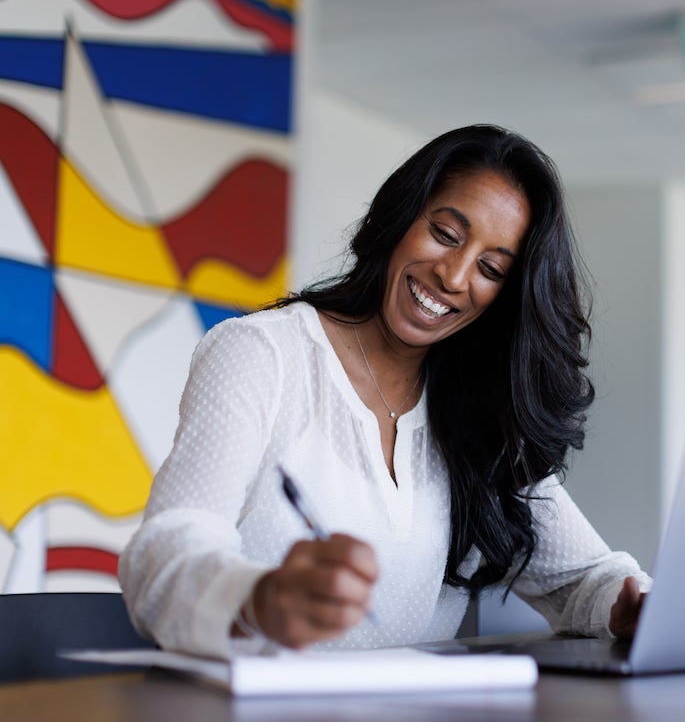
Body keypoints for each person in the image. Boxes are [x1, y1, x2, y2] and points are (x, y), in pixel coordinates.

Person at [119, 124, 650, 658]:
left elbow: (581, 579)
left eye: (491, 268)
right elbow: (164, 557)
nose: (455, 275)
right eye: (445, 234)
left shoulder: (479, 412)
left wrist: (628, 604)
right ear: (399, 217)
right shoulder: (262, 354)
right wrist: (261, 599)